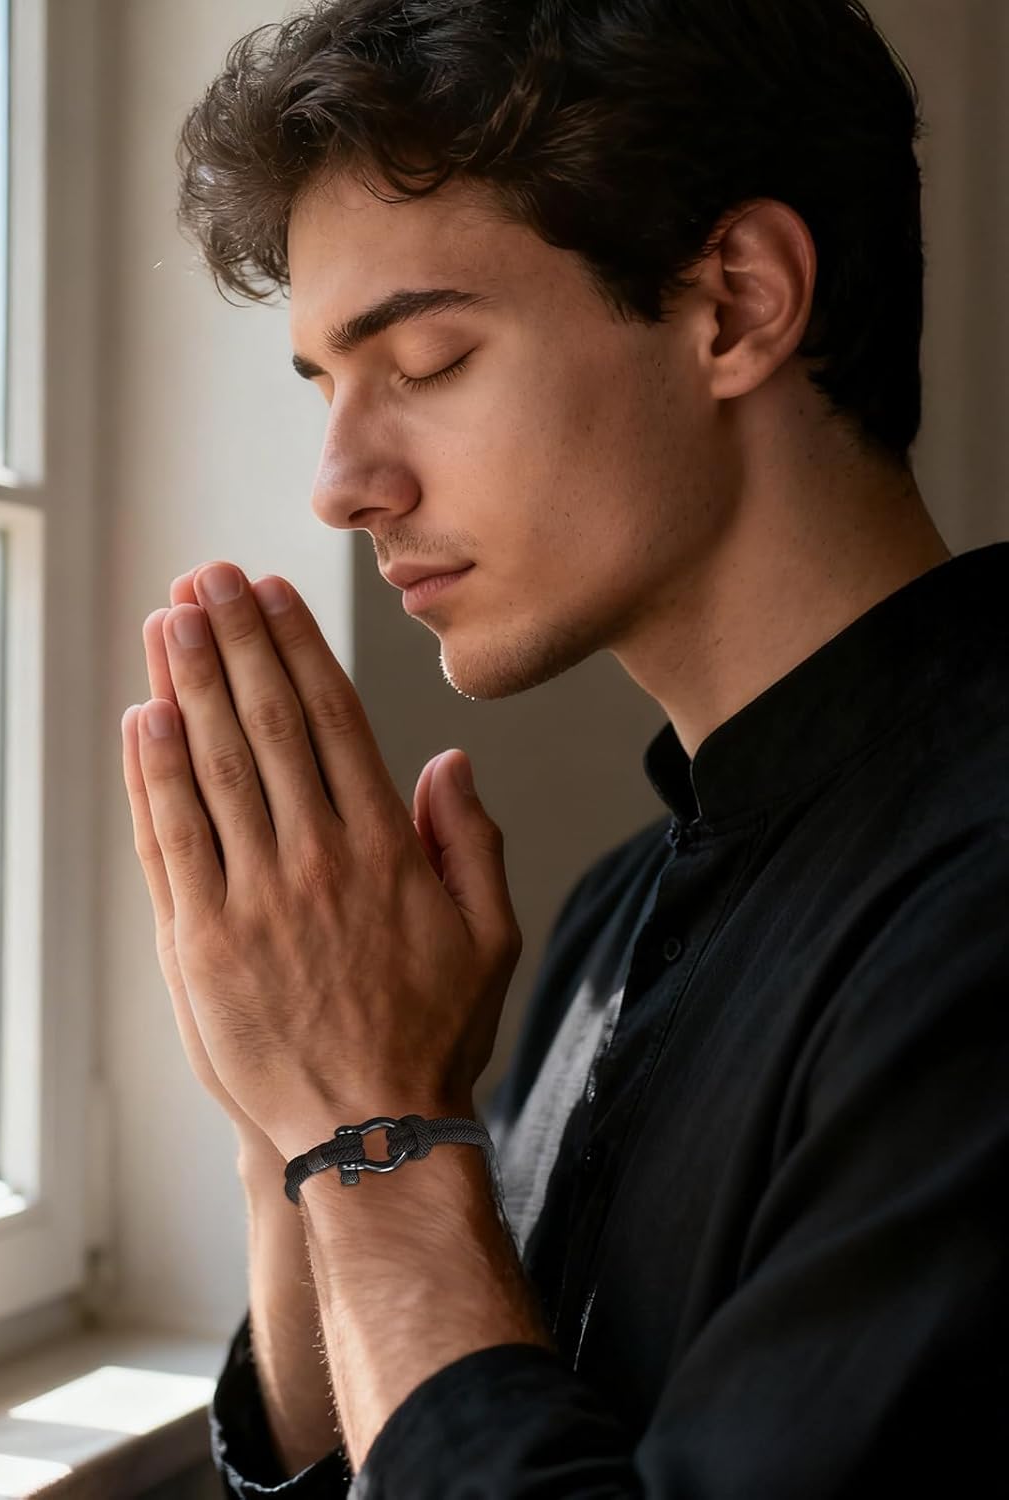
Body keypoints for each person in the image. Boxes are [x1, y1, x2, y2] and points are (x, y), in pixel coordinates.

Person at [118, 1, 1009, 1494]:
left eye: (429, 359)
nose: (341, 484)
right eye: (324, 389)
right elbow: (416, 1440)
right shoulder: (612, 913)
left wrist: (367, 1124)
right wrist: (298, 1132)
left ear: (733, 302)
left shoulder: (974, 913)